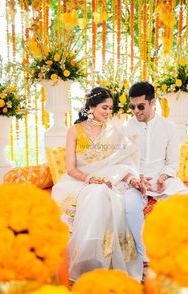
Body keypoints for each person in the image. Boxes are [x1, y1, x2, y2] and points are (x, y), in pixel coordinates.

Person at [52, 87, 146, 282]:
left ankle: (102, 263)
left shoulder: (113, 132)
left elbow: (124, 163)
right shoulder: (75, 131)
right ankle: (86, 262)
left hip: (108, 183)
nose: (108, 112)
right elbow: (70, 168)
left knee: (103, 194)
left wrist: (132, 179)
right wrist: (90, 179)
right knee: (96, 194)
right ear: (91, 107)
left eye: (111, 108)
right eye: (104, 107)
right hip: (77, 182)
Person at [122, 81, 188, 274]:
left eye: (140, 106)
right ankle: (145, 257)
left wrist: (164, 176)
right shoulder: (126, 129)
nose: (135, 111)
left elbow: (173, 162)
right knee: (129, 206)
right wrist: (136, 178)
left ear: (153, 103)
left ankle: (182, 254)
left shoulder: (169, 127)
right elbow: (124, 161)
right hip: (137, 180)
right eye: (132, 106)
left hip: (163, 178)